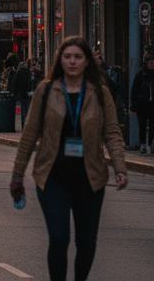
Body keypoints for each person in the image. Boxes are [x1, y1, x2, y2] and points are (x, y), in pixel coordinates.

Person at [11, 37, 127, 281]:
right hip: (52, 177)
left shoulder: (99, 92)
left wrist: (120, 167)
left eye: (78, 57)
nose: (72, 62)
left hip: (90, 178)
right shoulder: (45, 90)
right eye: (67, 57)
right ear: (59, 60)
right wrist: (18, 175)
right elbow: (30, 133)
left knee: (86, 242)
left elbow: (112, 132)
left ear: (87, 62)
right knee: (59, 237)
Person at [130, 54, 154, 154]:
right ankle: (143, 143)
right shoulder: (140, 75)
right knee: (142, 125)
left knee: (152, 124)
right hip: (142, 104)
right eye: (150, 63)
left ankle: (151, 143)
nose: (152, 65)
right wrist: (134, 105)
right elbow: (134, 90)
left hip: (152, 104)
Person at [11, 56, 33, 130]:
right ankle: (26, 124)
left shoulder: (18, 73)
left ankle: (24, 125)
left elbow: (16, 83)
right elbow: (29, 83)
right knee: (27, 109)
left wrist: (16, 92)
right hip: (26, 93)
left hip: (21, 93)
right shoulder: (28, 73)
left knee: (23, 109)